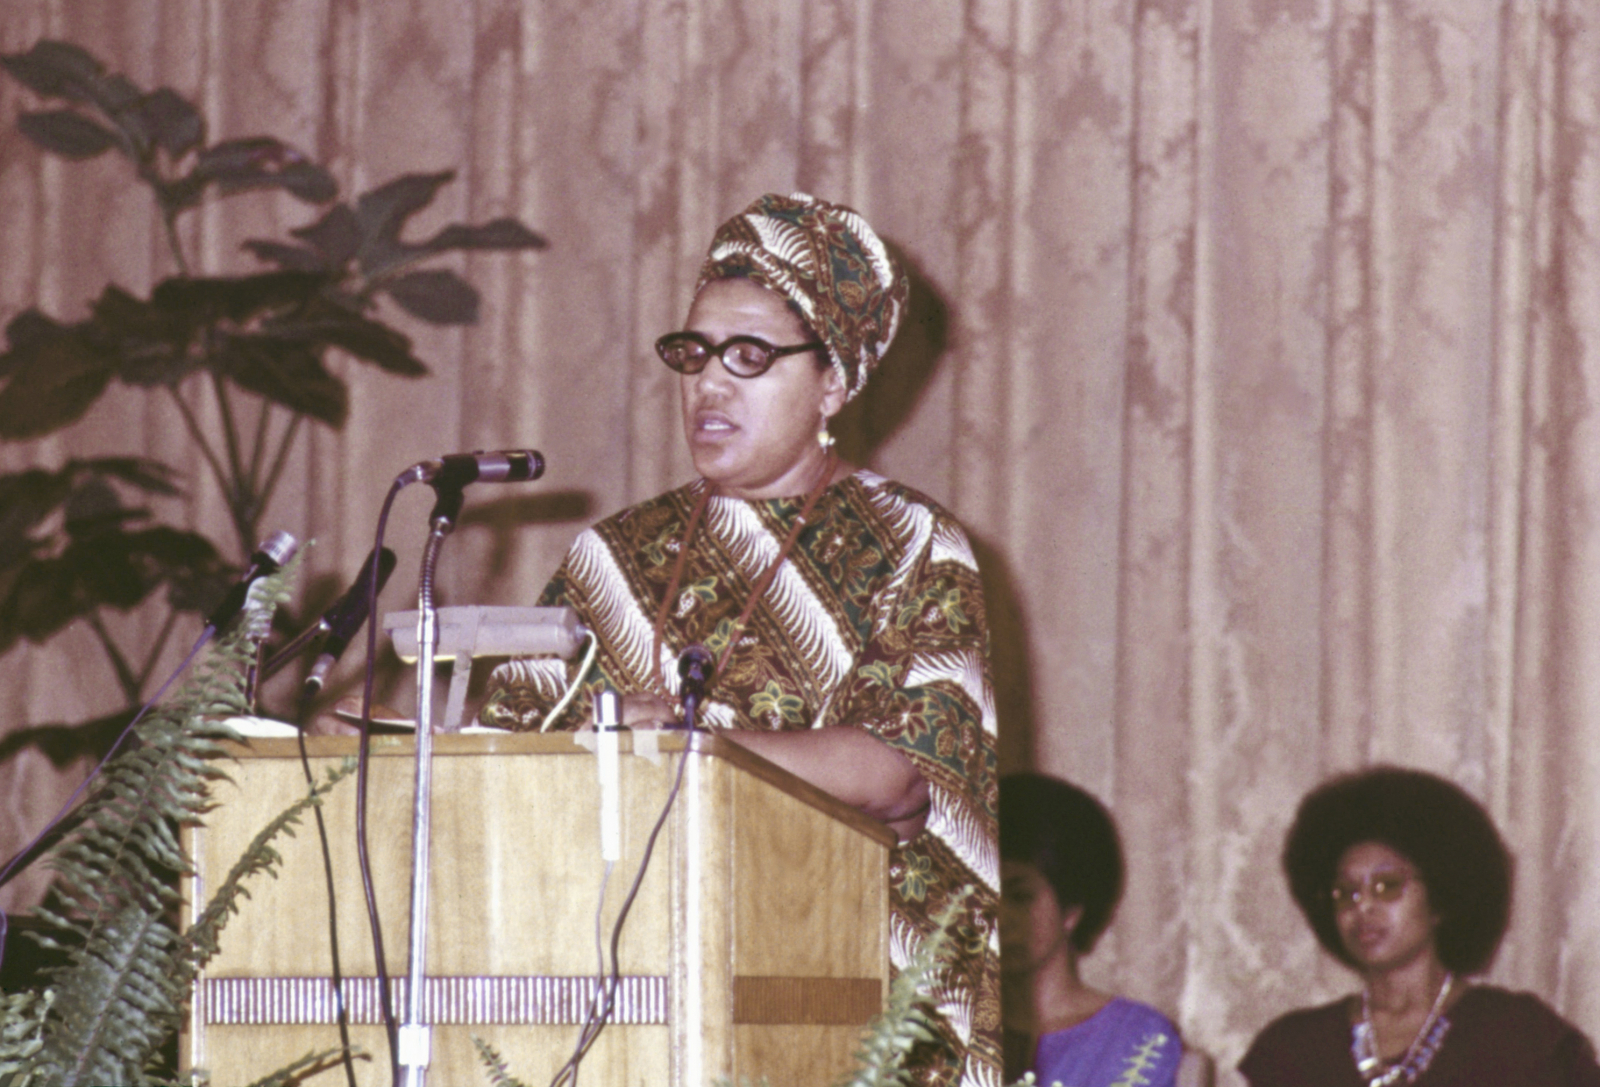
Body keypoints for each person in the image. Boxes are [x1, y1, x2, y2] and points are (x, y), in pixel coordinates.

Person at [480, 192, 1001, 1086]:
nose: (708, 384)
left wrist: (696, 747)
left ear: (833, 381)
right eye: (693, 353)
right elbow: (507, 749)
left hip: (846, 1000)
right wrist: (386, 733)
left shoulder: (914, 544)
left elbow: (901, 770)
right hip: (625, 1000)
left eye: (749, 357)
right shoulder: (612, 557)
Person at [1240, 765, 1600, 1087]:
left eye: (1387, 886)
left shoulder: (1519, 1036)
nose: (1362, 906)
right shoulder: (1291, 1048)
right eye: (1345, 892)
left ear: (1441, 899)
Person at [999, 772, 1183, 1087]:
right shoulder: (949, 1029)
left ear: (1071, 909)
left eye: (1020, 897)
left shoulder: (1137, 1038)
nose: (999, 918)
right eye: (982, 896)